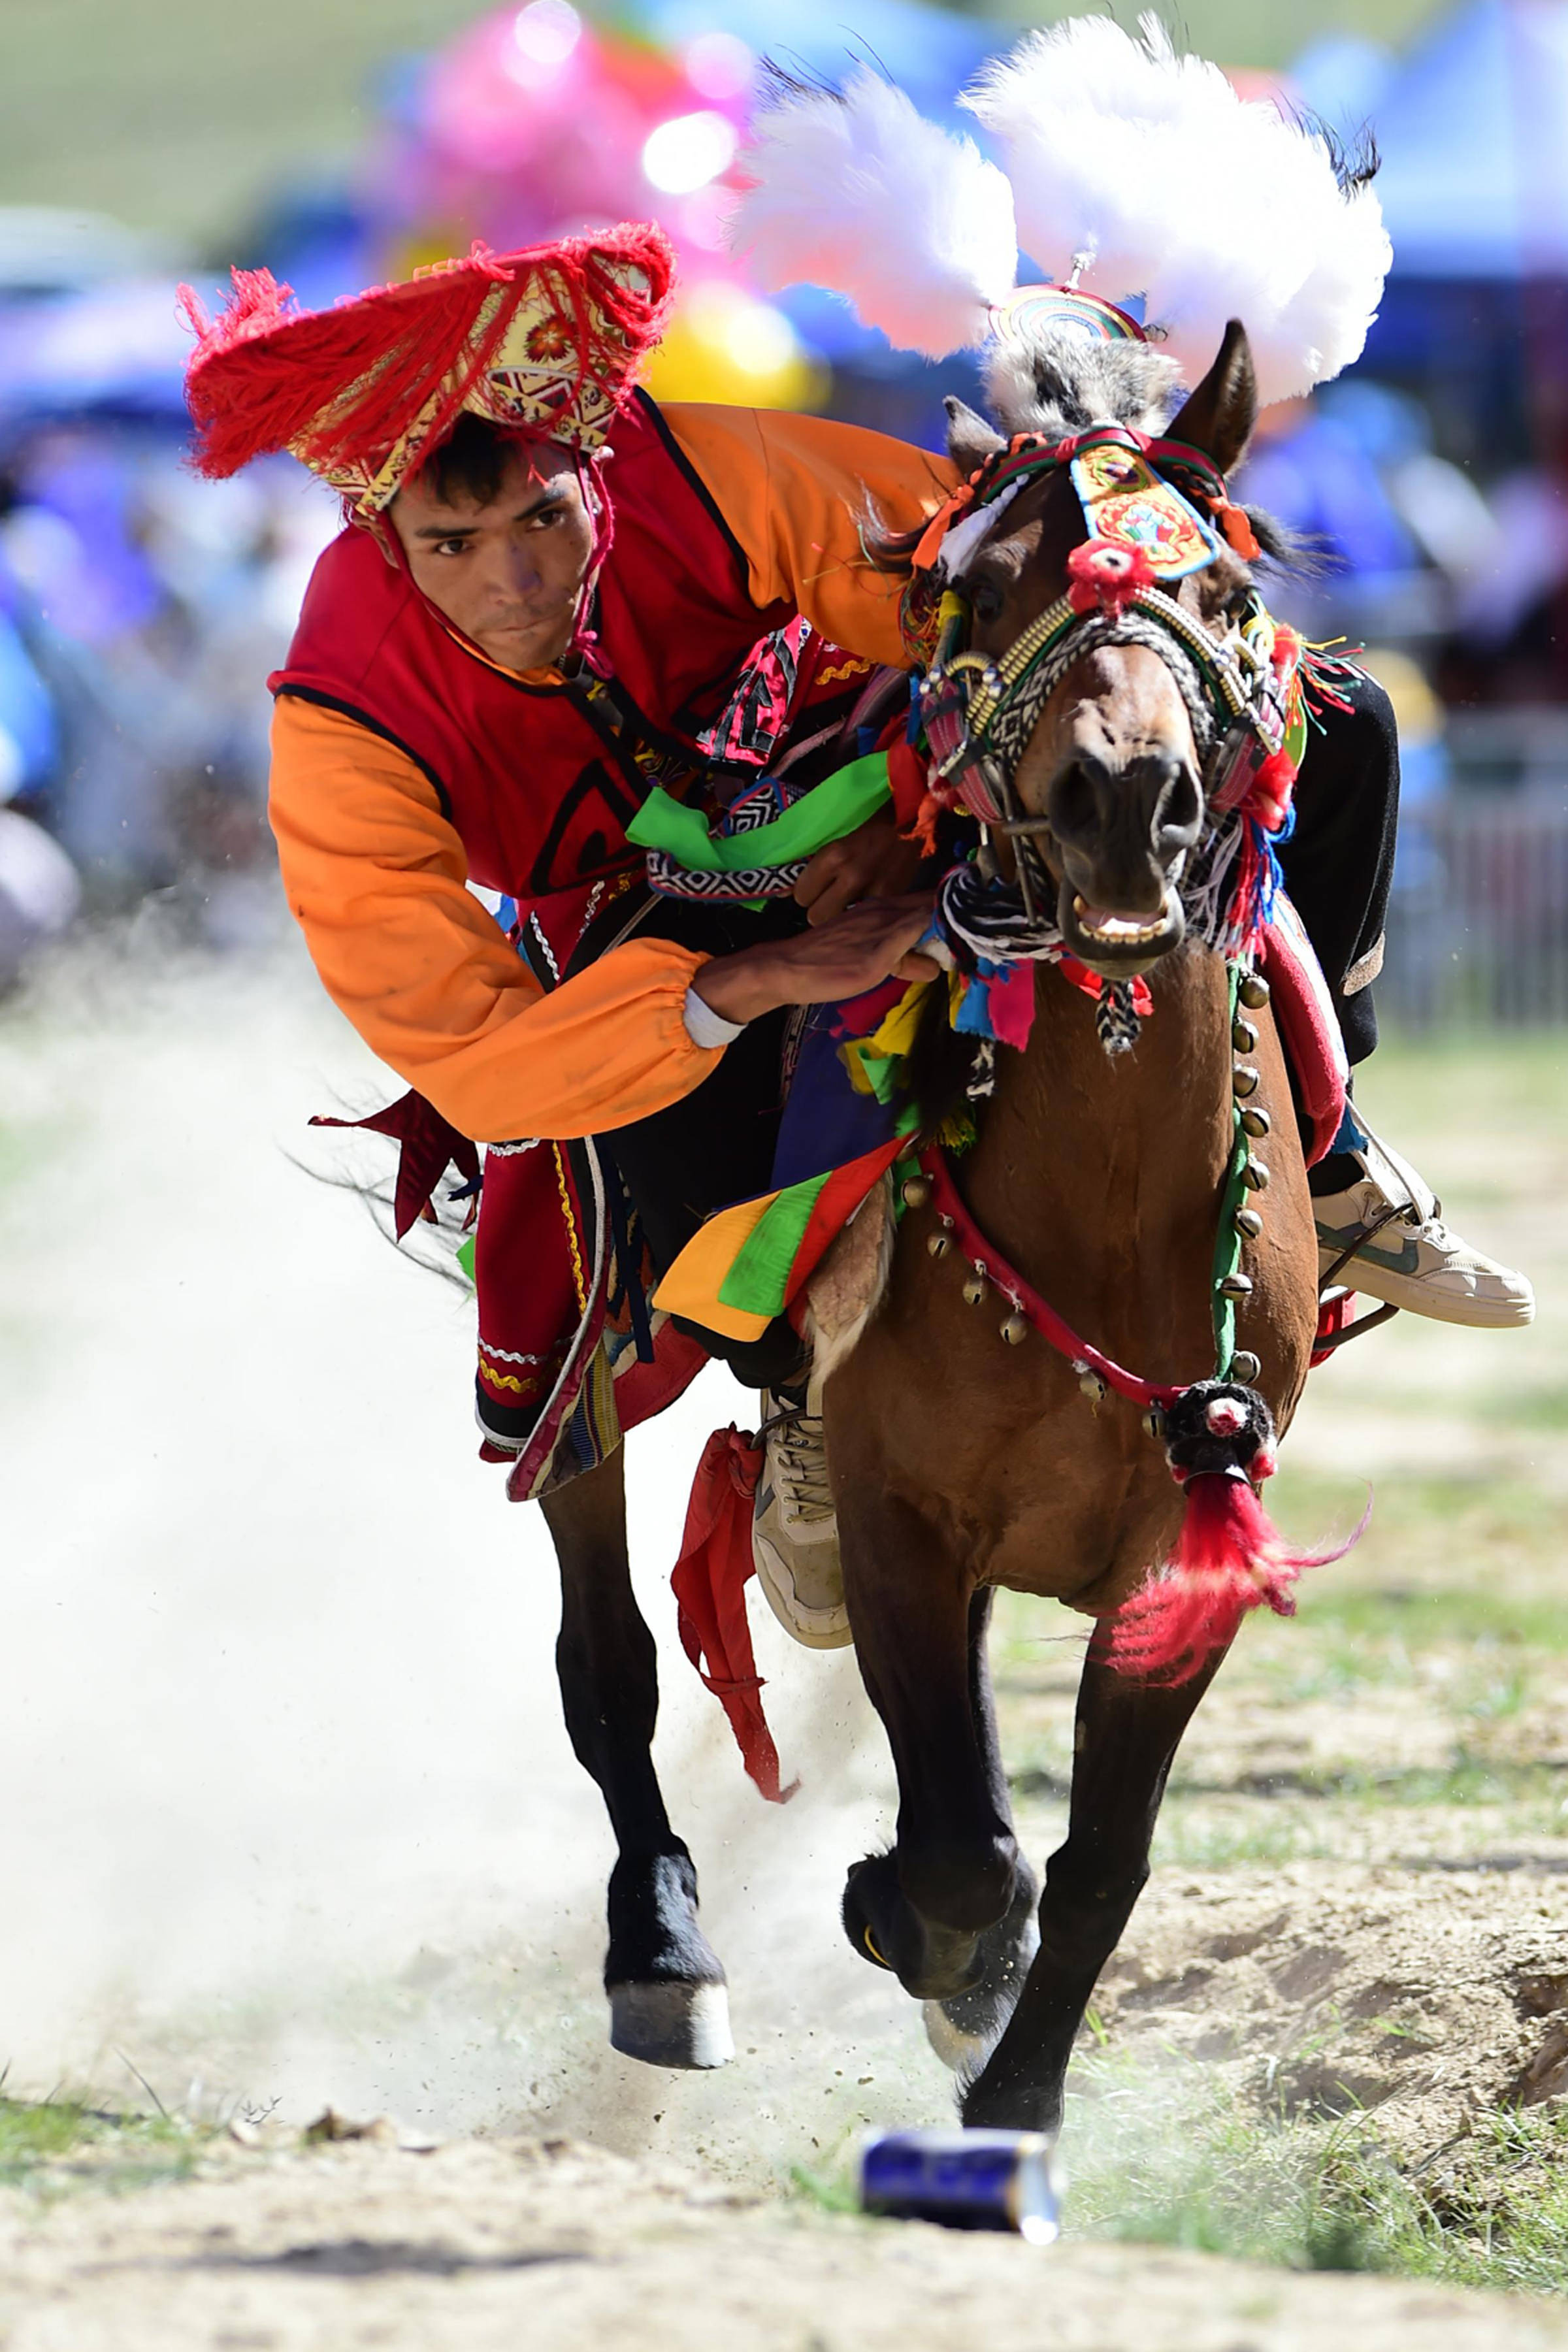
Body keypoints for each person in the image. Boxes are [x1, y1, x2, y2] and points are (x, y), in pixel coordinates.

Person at [182, 228, 1530, 1655]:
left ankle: (1328, 1159)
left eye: (545, 521)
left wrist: (968, 756)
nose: (515, 580)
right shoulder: (340, 717)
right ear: (381, 537)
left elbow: (965, 585)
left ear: (602, 465)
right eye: (452, 546)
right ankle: (797, 1391)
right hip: (632, 921)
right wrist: (759, 976)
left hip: (863, 758)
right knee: (649, 1151)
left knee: (1344, 716)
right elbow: (470, 1049)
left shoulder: (698, 468)